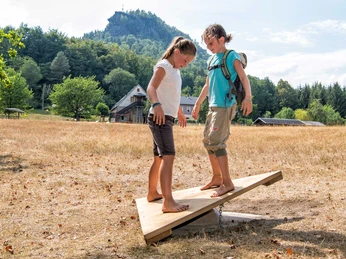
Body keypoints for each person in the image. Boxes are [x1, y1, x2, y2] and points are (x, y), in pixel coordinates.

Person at [192, 24, 253, 197]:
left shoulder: (231, 56)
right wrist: (197, 104)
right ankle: (217, 178)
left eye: (211, 43)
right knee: (207, 141)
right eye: (206, 44)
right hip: (212, 106)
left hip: (225, 105)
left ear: (221, 40)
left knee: (217, 142)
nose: (209, 48)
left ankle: (227, 183)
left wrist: (248, 98)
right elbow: (207, 84)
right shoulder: (210, 61)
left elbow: (243, 77)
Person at [146, 36, 197, 213]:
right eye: (185, 60)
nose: (186, 64)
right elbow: (151, 88)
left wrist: (180, 112)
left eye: (189, 62)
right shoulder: (164, 66)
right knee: (168, 157)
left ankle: (152, 193)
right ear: (177, 52)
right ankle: (168, 202)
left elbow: (171, 95)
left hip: (167, 117)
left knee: (159, 158)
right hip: (160, 118)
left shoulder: (175, 70)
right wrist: (156, 105)